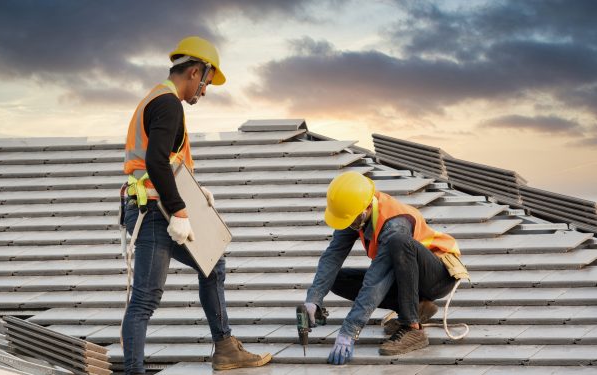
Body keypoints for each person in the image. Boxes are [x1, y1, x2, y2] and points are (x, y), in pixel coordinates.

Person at [121, 36, 272, 374]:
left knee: (213, 262)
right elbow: (157, 163)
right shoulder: (168, 103)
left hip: (157, 205)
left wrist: (193, 190)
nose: (204, 91)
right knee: (145, 299)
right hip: (155, 213)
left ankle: (225, 347)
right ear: (194, 72)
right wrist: (180, 211)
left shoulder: (157, 100)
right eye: (205, 82)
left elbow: (164, 162)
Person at [304, 171, 461, 364]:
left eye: (352, 221)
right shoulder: (355, 211)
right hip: (410, 278)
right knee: (337, 279)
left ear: (366, 208)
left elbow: (376, 281)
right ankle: (417, 307)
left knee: (399, 243)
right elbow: (333, 256)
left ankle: (412, 328)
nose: (350, 225)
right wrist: (314, 298)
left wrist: (349, 331)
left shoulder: (395, 224)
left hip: (438, 276)